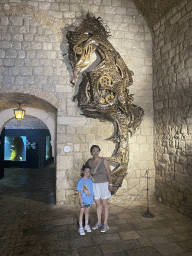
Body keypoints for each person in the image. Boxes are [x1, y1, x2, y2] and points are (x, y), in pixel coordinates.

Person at [87, 145, 113, 233]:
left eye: (97, 151)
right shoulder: (89, 162)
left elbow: (108, 172)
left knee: (104, 203)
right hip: (95, 185)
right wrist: (89, 178)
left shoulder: (103, 161)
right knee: (98, 204)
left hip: (104, 184)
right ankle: (98, 222)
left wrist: (110, 183)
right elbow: (85, 172)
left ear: (99, 151)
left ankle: (105, 224)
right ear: (91, 152)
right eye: (94, 151)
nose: (96, 152)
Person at [76, 164, 93, 235]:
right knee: (81, 213)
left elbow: (92, 190)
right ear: (82, 171)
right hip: (83, 200)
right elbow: (79, 192)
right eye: (85, 171)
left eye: (88, 171)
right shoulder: (80, 181)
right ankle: (80, 227)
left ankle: (86, 225)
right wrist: (80, 201)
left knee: (87, 213)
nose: (87, 173)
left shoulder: (91, 180)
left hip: (89, 200)